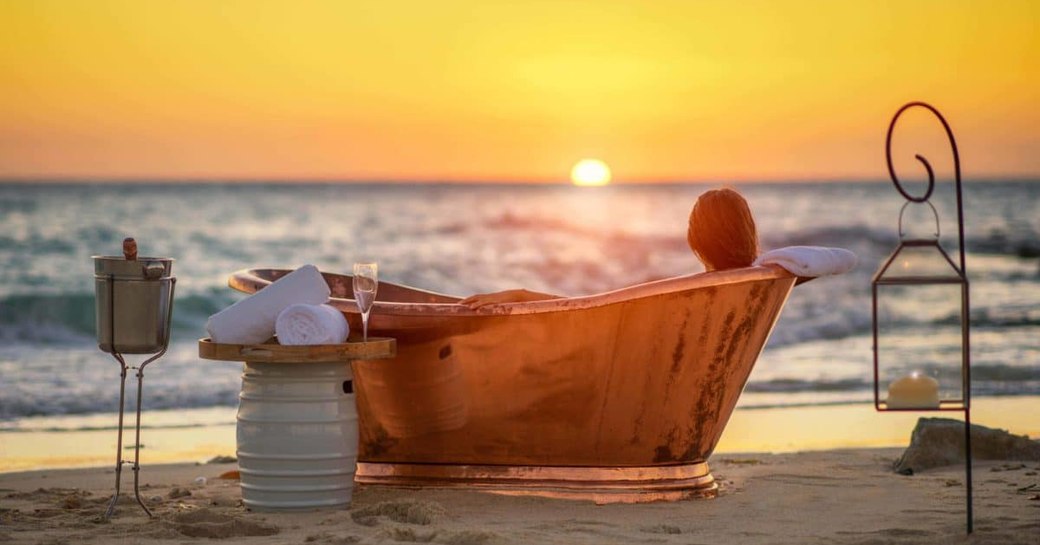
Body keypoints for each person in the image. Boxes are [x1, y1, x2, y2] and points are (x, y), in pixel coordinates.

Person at [459, 187, 759, 309]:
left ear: (697, 238)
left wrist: (521, 296)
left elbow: (592, 314)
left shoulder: (693, 295)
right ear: (747, 231)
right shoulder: (763, 282)